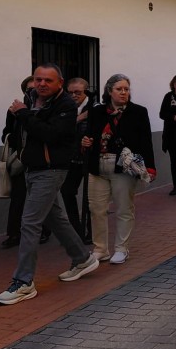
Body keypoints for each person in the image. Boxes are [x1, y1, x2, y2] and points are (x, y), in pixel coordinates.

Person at [0, 64, 99, 305]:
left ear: (59, 83)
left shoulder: (66, 106)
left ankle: (24, 282)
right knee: (56, 218)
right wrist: (17, 117)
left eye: (47, 81)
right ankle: (82, 258)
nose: (41, 84)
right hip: (31, 168)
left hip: (52, 170)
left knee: (30, 222)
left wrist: (23, 114)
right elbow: (14, 131)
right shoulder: (30, 99)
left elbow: (50, 134)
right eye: (38, 80)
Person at [82, 74, 157, 265]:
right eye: (119, 89)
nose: (124, 93)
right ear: (109, 91)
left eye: (126, 89)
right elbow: (88, 136)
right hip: (97, 164)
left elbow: (146, 141)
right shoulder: (97, 111)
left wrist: (150, 167)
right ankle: (100, 248)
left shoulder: (138, 112)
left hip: (123, 166)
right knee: (96, 209)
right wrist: (85, 141)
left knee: (124, 208)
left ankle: (121, 248)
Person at [0, 75, 38, 249]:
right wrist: (11, 138)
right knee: (18, 197)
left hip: (38, 160)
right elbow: (6, 132)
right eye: (29, 89)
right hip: (20, 160)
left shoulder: (41, 108)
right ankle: (14, 234)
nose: (32, 92)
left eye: (34, 89)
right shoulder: (13, 110)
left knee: (39, 198)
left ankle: (44, 231)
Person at [61, 77, 94, 240]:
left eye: (78, 92)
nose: (74, 95)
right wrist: (78, 118)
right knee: (67, 192)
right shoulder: (65, 107)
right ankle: (76, 230)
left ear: (85, 92)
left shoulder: (95, 108)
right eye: (71, 92)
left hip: (89, 158)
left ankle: (90, 232)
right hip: (70, 158)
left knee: (89, 197)